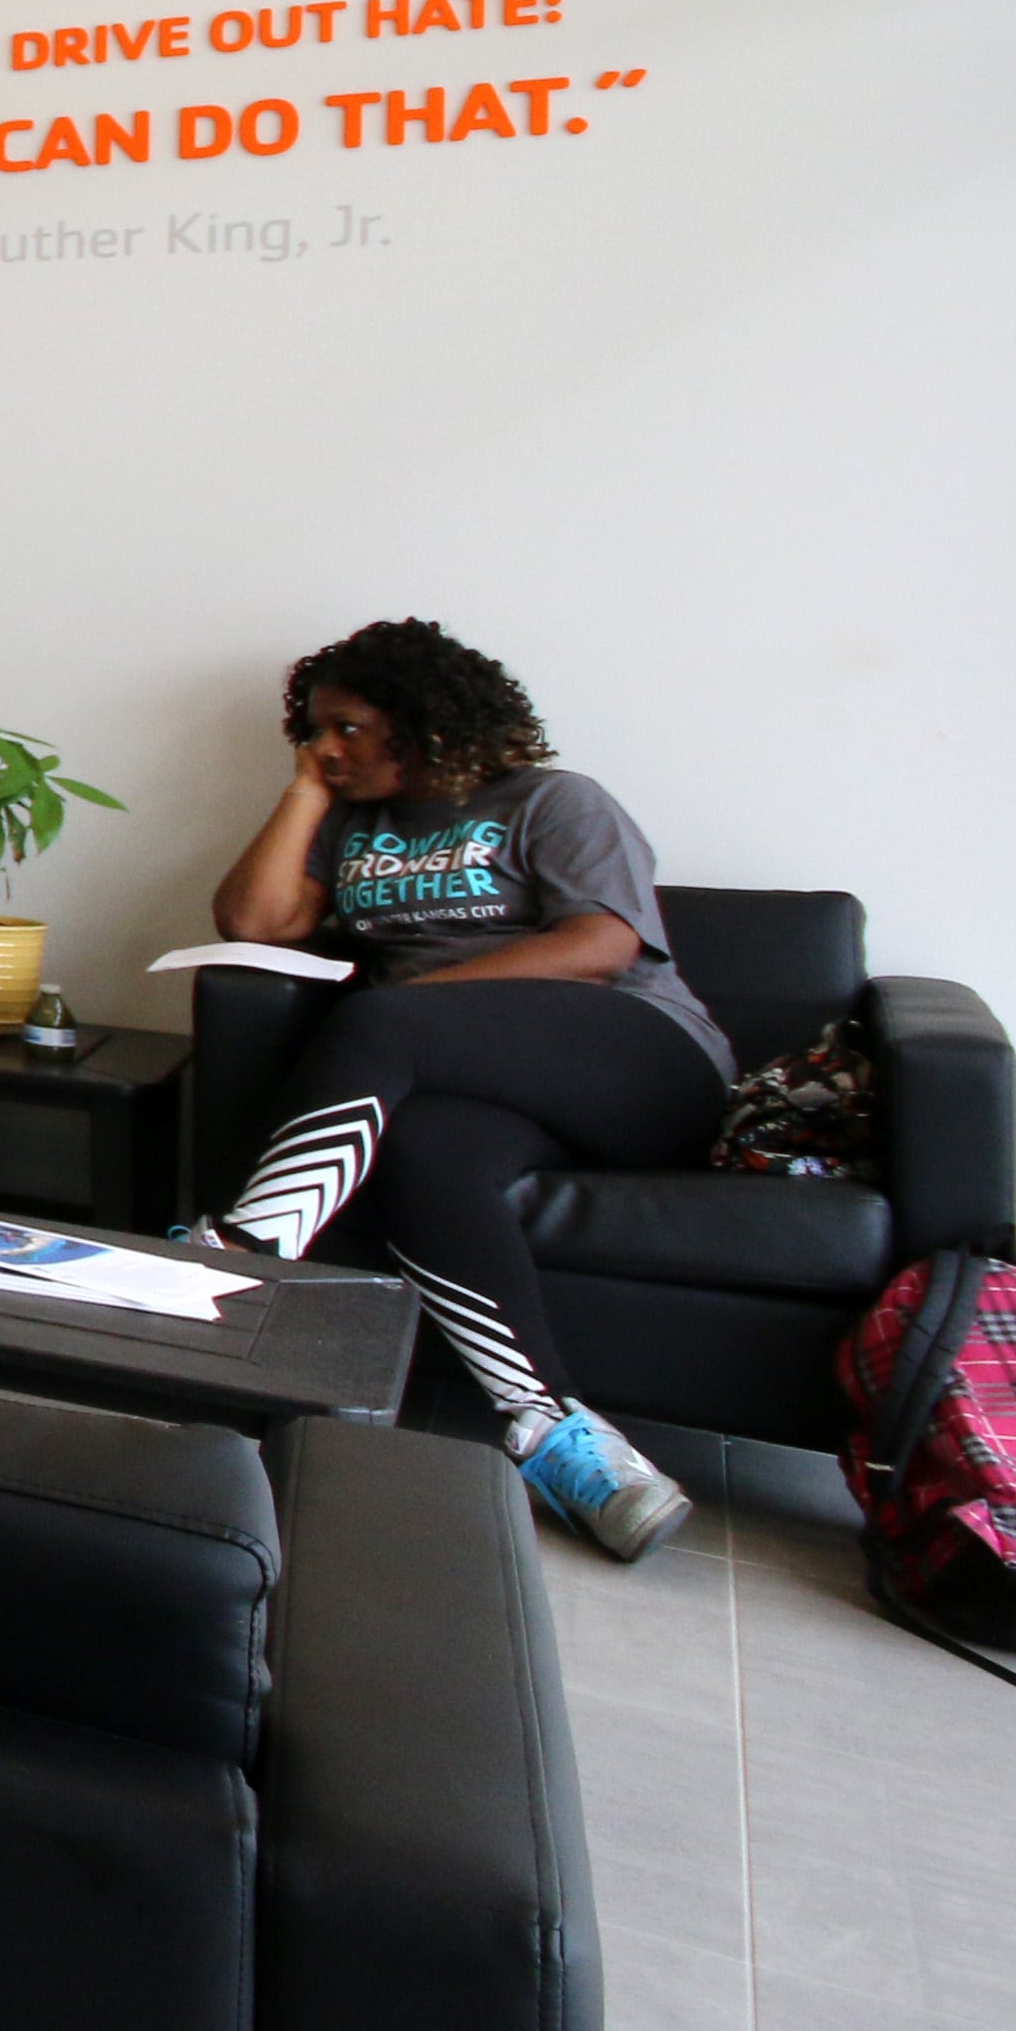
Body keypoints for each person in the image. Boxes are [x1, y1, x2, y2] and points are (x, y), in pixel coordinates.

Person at [197, 618, 730, 1562]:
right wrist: (306, 794)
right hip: (479, 1087)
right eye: (312, 731)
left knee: (377, 1017)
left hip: (637, 1063)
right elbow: (254, 919)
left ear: (428, 721)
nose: (324, 747)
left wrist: (405, 1012)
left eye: (347, 728)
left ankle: (244, 1260)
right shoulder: (357, 826)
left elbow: (601, 946)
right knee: (423, 1154)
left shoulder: (554, 802)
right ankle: (564, 1442)